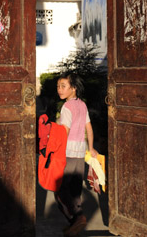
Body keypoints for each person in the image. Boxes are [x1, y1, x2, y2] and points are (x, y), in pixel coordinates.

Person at [55, 71, 98, 237]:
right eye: (58, 86)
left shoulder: (67, 107)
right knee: (75, 189)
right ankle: (74, 224)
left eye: (63, 86)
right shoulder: (82, 104)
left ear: (73, 88)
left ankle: (77, 218)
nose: (59, 89)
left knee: (60, 190)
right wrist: (91, 147)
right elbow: (89, 128)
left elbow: (64, 131)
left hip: (67, 152)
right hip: (80, 152)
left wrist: (56, 150)